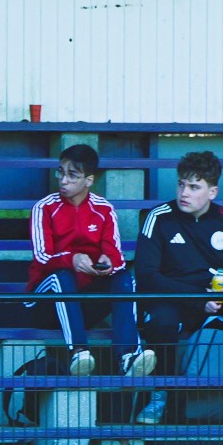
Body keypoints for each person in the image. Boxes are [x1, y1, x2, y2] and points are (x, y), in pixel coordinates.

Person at [135, 151, 223, 424]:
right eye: (181, 184)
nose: (184, 192)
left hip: (217, 300)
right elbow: (147, 275)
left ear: (212, 191)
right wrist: (198, 300)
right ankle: (161, 394)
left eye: (194, 187)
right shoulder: (158, 217)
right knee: (162, 320)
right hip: (174, 299)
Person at [20, 145, 154, 380]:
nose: (63, 180)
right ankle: (78, 352)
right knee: (63, 276)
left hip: (83, 303)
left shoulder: (103, 209)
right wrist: (71, 259)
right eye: (60, 172)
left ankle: (127, 356)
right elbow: (42, 257)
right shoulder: (44, 208)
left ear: (89, 180)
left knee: (123, 278)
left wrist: (107, 263)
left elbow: (116, 257)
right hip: (45, 303)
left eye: (73, 175)